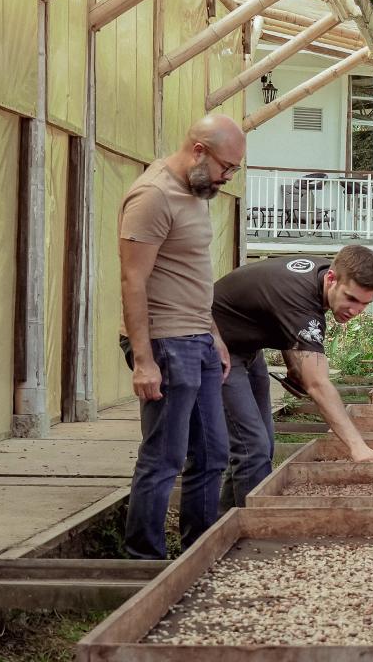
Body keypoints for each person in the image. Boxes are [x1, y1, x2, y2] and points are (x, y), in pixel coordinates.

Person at [118, 114, 245, 559]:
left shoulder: (197, 191)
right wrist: (143, 360)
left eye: (234, 170)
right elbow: (133, 281)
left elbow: (192, 274)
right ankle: (144, 558)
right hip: (166, 343)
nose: (227, 177)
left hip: (199, 339)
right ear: (198, 151)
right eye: (225, 167)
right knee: (164, 457)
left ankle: (198, 550)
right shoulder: (153, 196)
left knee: (213, 453)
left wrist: (215, 336)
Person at [213, 245, 373, 510]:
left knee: (262, 446)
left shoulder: (320, 277)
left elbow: (281, 314)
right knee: (252, 448)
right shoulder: (302, 297)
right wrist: (357, 447)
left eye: (365, 304)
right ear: (332, 279)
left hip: (246, 347)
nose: (356, 310)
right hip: (216, 346)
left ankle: (225, 522)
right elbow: (317, 384)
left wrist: (294, 366)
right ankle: (252, 528)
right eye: (351, 299)